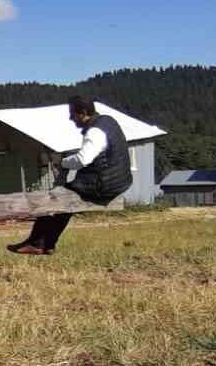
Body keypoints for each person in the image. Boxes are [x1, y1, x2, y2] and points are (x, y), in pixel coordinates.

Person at [9, 95, 133, 255]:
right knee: (65, 203)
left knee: (52, 198)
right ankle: (46, 244)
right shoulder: (108, 122)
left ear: (83, 113)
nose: (71, 118)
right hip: (121, 180)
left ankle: (36, 242)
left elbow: (83, 159)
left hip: (104, 184)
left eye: (72, 113)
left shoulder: (95, 131)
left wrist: (63, 163)